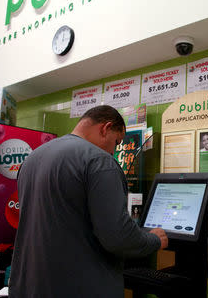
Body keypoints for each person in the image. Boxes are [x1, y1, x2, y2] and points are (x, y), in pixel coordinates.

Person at [9, 105, 168, 297]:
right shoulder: (100, 161)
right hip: (78, 286)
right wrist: (154, 240)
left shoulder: (32, 158)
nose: (113, 151)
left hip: (30, 285)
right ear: (105, 128)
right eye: (116, 142)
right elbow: (117, 237)